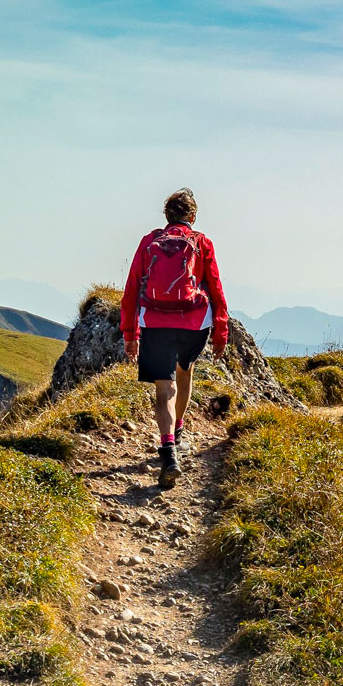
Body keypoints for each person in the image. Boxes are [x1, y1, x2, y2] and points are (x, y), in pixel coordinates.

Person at [121, 188, 229, 489]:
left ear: (167, 216)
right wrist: (221, 330)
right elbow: (216, 287)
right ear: (192, 217)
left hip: (155, 322)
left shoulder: (149, 242)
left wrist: (130, 334)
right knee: (184, 374)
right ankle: (178, 432)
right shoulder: (201, 242)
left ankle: (168, 450)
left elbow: (131, 289)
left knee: (163, 389)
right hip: (195, 324)